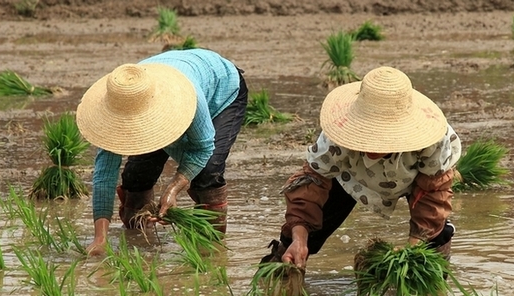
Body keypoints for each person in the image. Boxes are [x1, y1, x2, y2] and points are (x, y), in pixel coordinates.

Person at [261, 66, 461, 272]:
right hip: (349, 176)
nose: (372, 147)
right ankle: (280, 280)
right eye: (367, 135)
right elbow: (312, 184)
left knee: (430, 241)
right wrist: (299, 239)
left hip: (412, 177)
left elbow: (432, 193)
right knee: (301, 235)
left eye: (380, 138)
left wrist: (409, 253)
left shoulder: (432, 141)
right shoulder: (337, 135)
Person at [76, 48, 248, 256]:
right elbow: (104, 174)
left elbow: (203, 146)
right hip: (158, 84)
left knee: (207, 172)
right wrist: (100, 238)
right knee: (137, 174)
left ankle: (211, 247)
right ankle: (139, 241)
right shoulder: (117, 105)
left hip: (222, 89)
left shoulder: (187, 95)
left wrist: (173, 189)